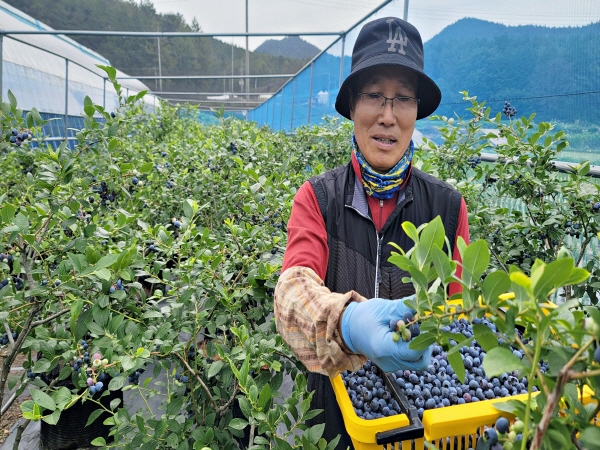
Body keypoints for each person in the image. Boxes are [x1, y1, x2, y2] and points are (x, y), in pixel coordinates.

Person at [274, 16, 470, 449]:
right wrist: (348, 322)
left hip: (424, 425)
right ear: (352, 106)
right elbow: (291, 293)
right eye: (374, 96)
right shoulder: (318, 199)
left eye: (402, 99)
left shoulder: (448, 209)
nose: (387, 116)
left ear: (417, 111)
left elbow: (460, 323)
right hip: (336, 421)